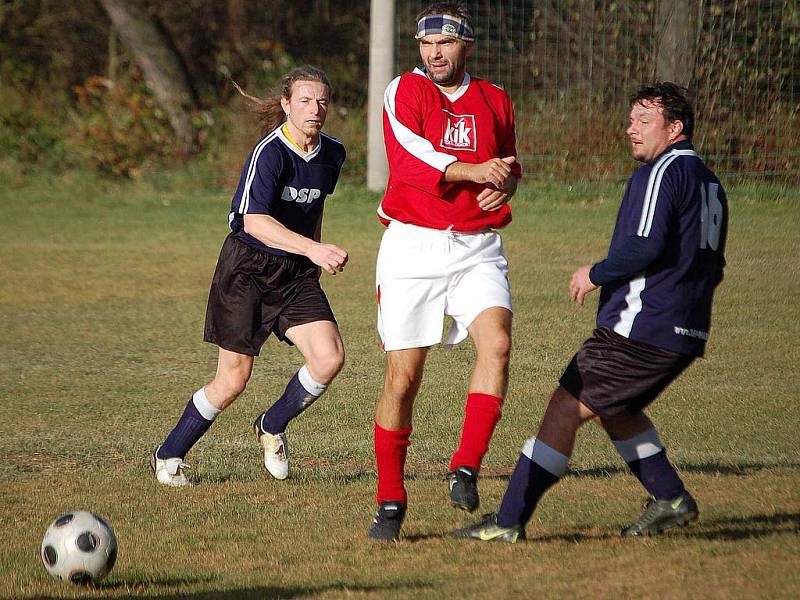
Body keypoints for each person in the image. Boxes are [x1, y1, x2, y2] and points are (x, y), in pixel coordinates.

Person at [453, 82, 728, 543]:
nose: (631, 130)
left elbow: (646, 244)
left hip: (641, 327)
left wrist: (594, 273)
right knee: (616, 408)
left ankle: (507, 521)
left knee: (565, 407)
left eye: (644, 121)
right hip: (684, 328)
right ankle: (670, 498)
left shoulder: (663, 172)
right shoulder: (710, 181)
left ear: (675, 128)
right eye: (631, 120)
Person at [369, 2, 523, 541]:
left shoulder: (495, 99)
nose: (434, 53)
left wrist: (506, 180)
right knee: (403, 378)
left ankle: (465, 465)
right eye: (426, 44)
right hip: (413, 248)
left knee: (498, 345)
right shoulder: (405, 91)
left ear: (466, 46)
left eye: (446, 44)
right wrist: (474, 169)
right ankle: (390, 500)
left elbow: (507, 160)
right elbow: (409, 159)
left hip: (477, 245)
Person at [151, 66, 348, 486]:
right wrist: (314, 248)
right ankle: (169, 454)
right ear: (285, 105)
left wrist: (314, 255)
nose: (315, 109)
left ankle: (271, 424)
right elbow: (254, 220)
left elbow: (315, 210)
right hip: (248, 271)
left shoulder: (332, 153)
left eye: (322, 101)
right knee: (233, 378)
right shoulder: (270, 153)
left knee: (329, 358)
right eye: (304, 100)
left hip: (295, 273)